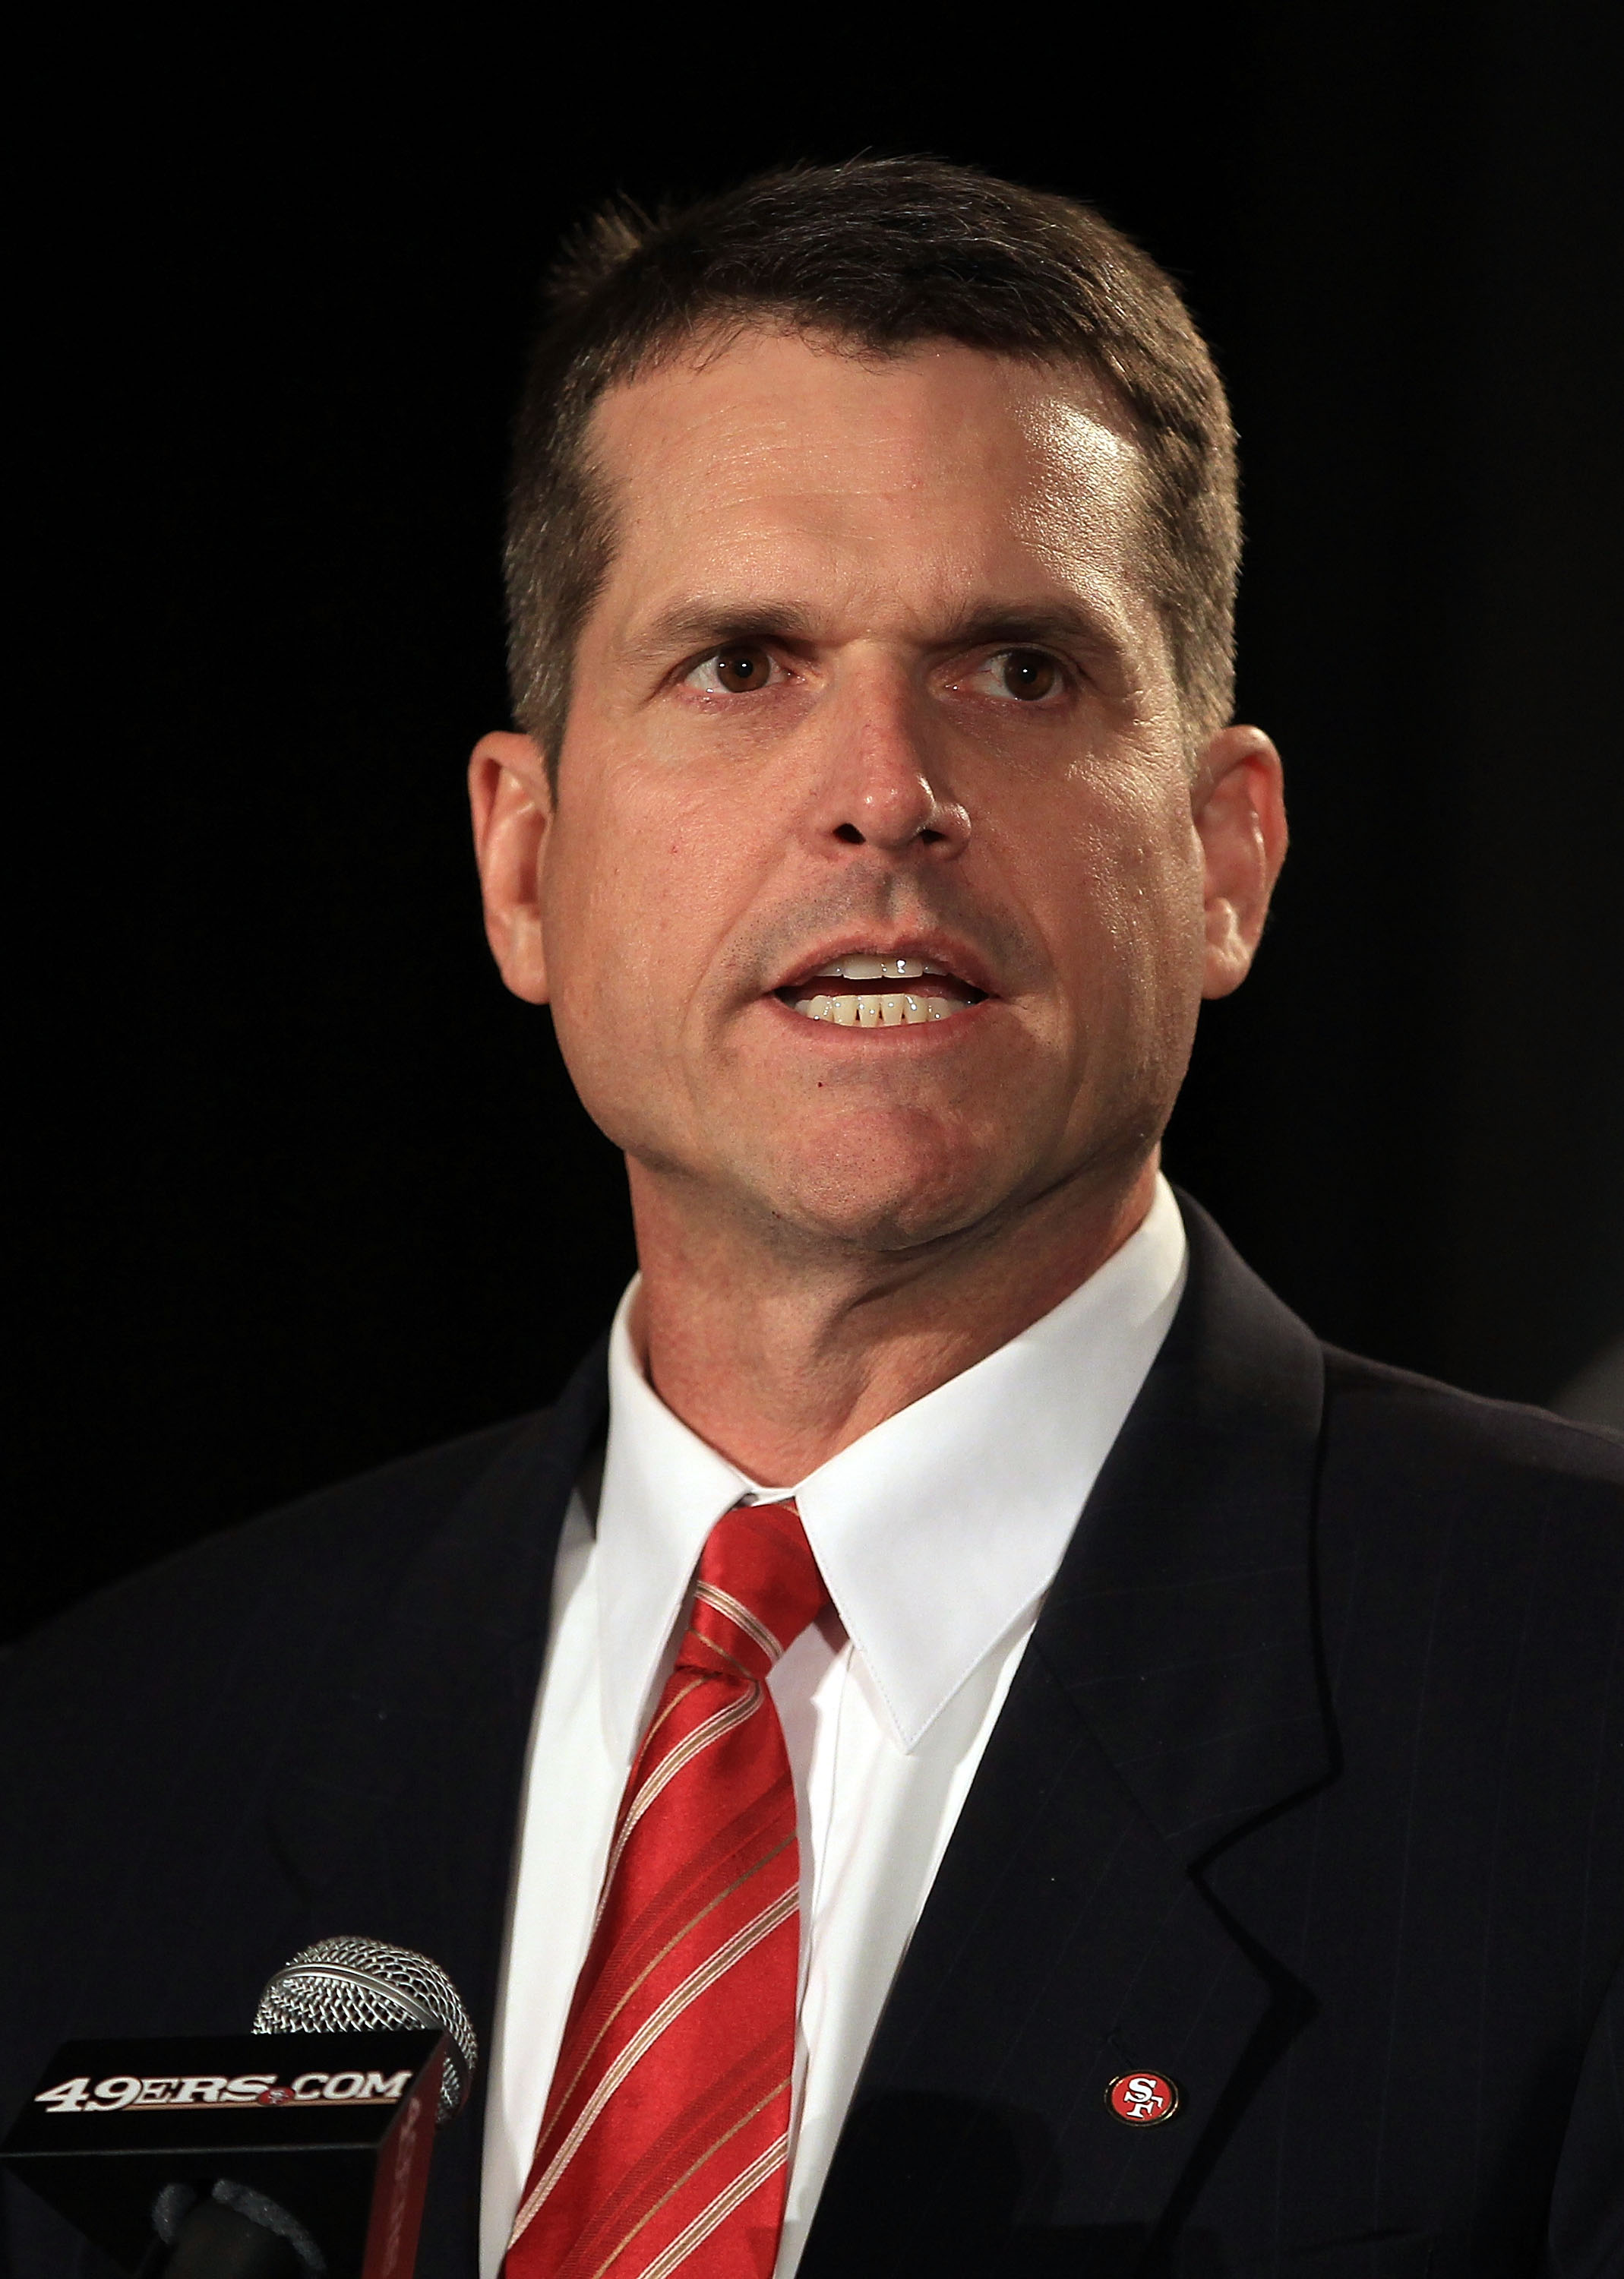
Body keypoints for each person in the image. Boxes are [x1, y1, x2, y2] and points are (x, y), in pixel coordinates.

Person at [2, 158, 1619, 2279]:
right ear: (523, 860)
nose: (883, 785)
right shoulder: (98, 1767)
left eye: (1019, 669)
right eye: (741, 662)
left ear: (1226, 856)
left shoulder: (1569, 1709)